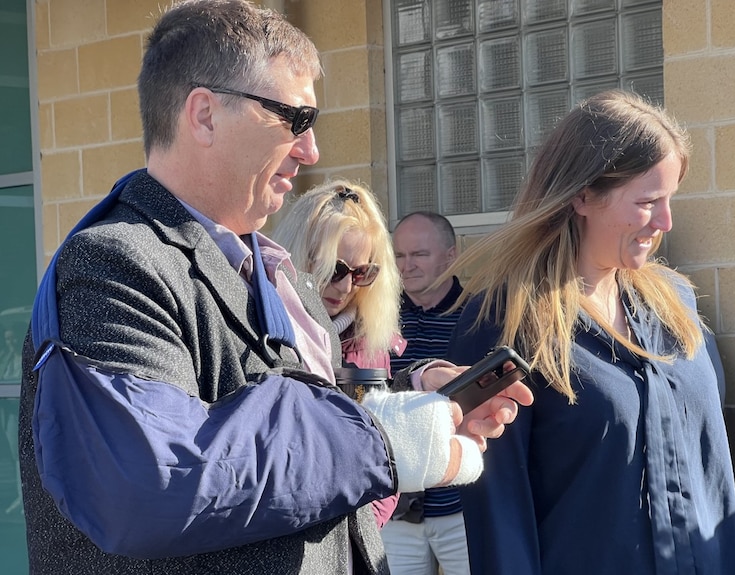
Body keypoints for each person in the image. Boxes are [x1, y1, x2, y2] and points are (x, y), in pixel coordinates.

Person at [16, 2, 532, 574]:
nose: (311, 151)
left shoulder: (280, 273)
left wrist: (410, 393)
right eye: (294, 119)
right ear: (205, 115)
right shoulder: (111, 265)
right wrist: (383, 437)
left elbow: (295, 403)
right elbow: (152, 480)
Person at [443, 89, 735, 574]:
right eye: (647, 202)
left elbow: (711, 492)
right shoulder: (503, 321)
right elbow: (499, 519)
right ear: (582, 194)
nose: (664, 222)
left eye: (670, 200)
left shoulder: (676, 305)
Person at [272, 179, 405, 527]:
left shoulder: (370, 342)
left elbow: (386, 451)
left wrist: (359, 532)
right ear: (299, 258)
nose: (346, 287)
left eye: (362, 273)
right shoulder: (262, 322)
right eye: (335, 270)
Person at [384, 211, 469, 575]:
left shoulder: (480, 315)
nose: (407, 266)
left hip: (462, 502)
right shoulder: (377, 317)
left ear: (450, 256)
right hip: (395, 505)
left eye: (418, 255)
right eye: (399, 256)